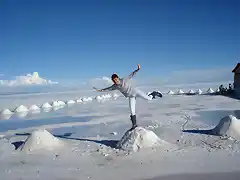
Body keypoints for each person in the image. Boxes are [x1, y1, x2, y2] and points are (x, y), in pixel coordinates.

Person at [93, 64, 162, 130]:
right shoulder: (115, 86)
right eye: (114, 81)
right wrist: (99, 90)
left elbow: (132, 75)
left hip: (136, 92)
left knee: (148, 98)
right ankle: (134, 125)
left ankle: (154, 93)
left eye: (116, 79)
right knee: (132, 111)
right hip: (131, 96)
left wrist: (137, 69)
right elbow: (107, 89)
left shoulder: (124, 80)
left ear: (118, 78)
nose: (115, 81)